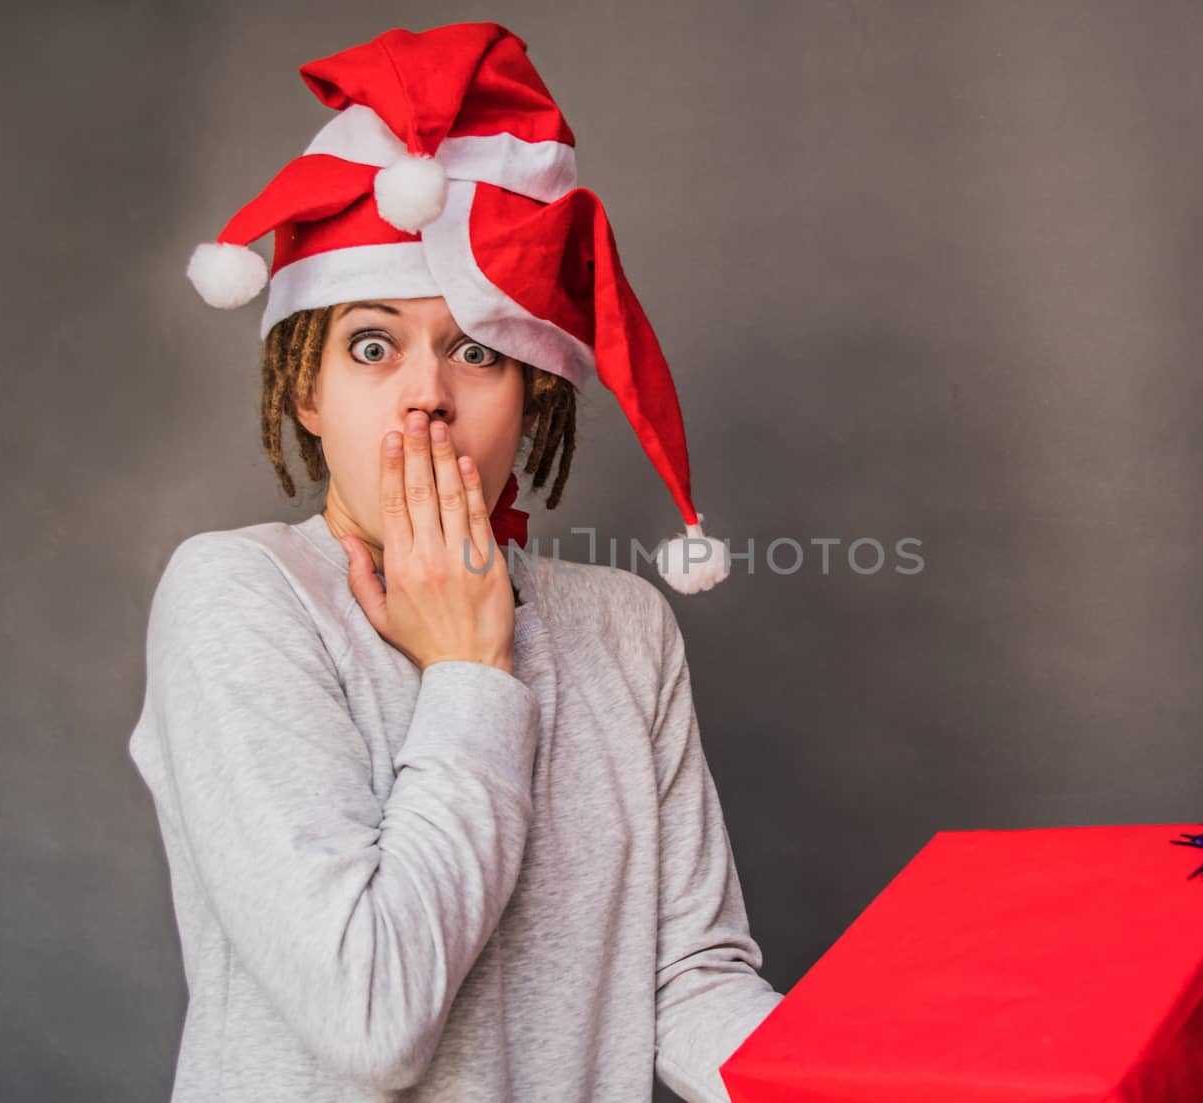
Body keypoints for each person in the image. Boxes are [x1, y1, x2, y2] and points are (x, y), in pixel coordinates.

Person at [127, 21, 783, 1103]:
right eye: (372, 346)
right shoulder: (238, 597)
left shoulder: (623, 625)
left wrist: (869, 1074)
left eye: (477, 349)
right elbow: (370, 1011)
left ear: (531, 394)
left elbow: (691, 978)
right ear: (306, 391)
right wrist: (472, 673)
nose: (426, 392)